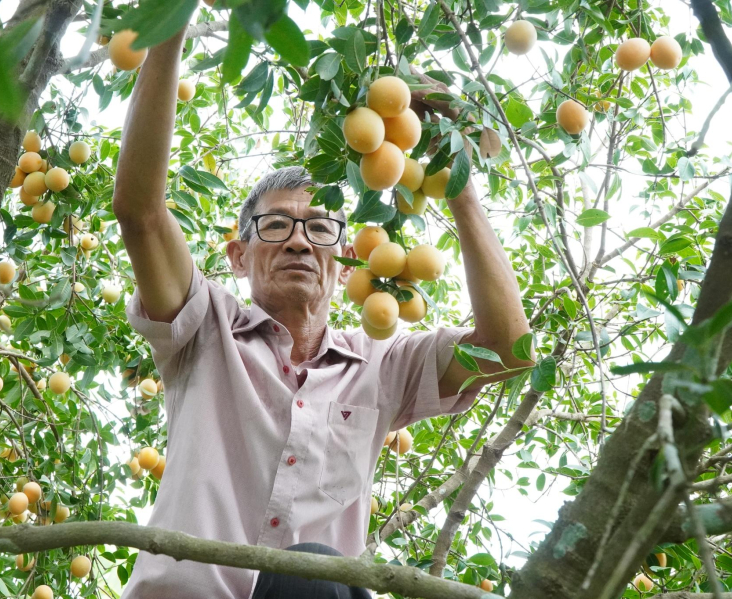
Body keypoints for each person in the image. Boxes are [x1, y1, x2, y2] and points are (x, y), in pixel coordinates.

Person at [113, 20, 531, 599]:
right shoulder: (205, 328)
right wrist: (169, 24)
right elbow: (141, 212)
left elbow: (508, 352)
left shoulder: (382, 367)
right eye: (277, 224)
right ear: (238, 255)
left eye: (318, 227)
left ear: (348, 258)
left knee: (313, 566)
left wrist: (459, 187)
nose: (298, 241)